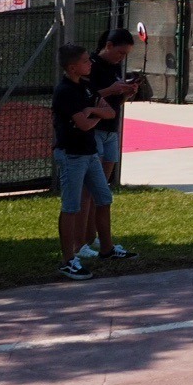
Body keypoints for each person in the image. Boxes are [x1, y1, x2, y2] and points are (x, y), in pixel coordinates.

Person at [52, 44, 116, 280]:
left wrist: (92, 110)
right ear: (72, 67)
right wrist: (94, 113)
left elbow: (110, 112)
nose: (90, 64)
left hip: (89, 153)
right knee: (71, 206)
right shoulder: (65, 91)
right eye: (85, 61)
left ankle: (107, 249)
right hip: (72, 155)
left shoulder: (87, 87)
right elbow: (84, 124)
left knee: (104, 198)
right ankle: (68, 259)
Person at [83, 29, 141, 263]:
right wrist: (114, 89)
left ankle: (95, 237)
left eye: (125, 54)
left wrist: (127, 91)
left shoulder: (115, 67)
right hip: (96, 129)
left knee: (101, 189)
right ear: (108, 45)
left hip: (111, 130)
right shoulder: (91, 65)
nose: (121, 58)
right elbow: (88, 95)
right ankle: (85, 240)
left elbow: (115, 99)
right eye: (119, 52)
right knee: (90, 189)